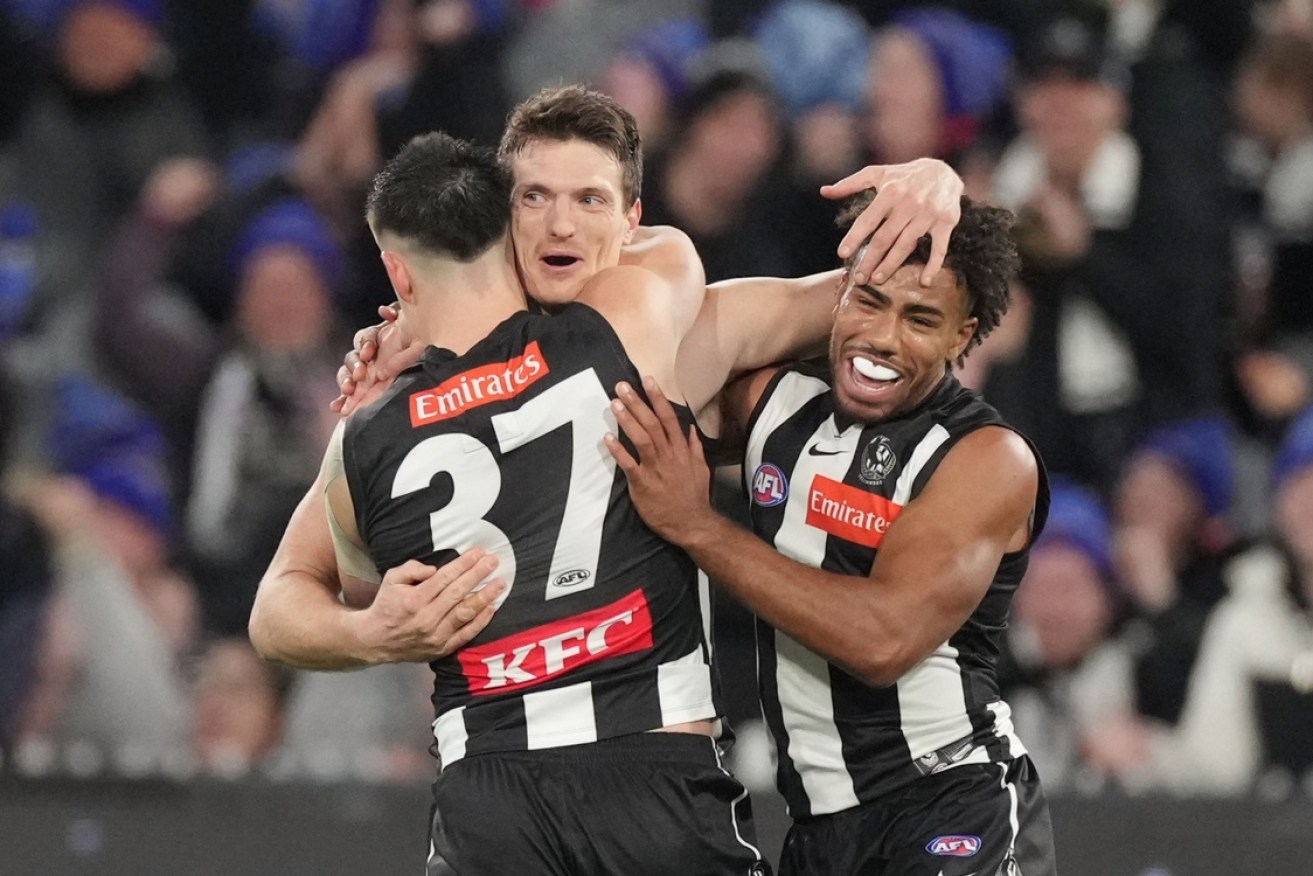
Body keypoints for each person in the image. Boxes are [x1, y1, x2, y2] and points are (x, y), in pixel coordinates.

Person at [291, 129, 761, 874]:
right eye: (535, 202)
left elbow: (279, 608)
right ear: (505, 233)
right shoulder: (626, 324)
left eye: (580, 201)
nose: (559, 224)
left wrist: (374, 634)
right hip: (652, 770)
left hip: (490, 794)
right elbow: (679, 255)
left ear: (396, 274)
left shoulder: (367, 436)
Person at [604, 192, 1056, 875]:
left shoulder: (986, 458)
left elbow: (882, 641)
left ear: (962, 336)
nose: (882, 338)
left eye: (920, 318)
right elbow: (628, 378)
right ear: (837, 298)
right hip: (817, 834)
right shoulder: (776, 408)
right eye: (868, 301)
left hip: (947, 804)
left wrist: (698, 527)